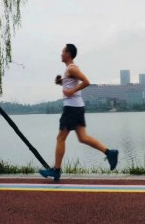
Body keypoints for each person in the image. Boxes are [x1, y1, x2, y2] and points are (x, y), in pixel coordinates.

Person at [39, 44, 118, 181]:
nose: (61, 54)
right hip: (77, 107)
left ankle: (56, 170)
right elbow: (71, 84)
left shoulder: (72, 69)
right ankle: (109, 152)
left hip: (71, 108)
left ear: (68, 54)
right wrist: (61, 83)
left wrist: (71, 91)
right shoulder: (70, 70)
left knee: (60, 138)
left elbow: (86, 82)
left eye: (62, 51)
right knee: (83, 137)